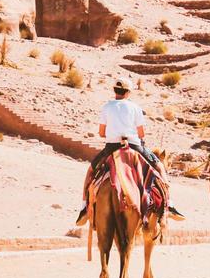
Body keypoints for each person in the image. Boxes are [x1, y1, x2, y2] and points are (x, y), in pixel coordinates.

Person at [76, 79, 184, 223]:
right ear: (128, 93)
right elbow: (141, 134)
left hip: (112, 147)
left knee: (90, 171)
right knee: (159, 167)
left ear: (115, 91)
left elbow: (101, 133)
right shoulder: (135, 107)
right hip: (134, 146)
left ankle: (84, 208)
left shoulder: (107, 107)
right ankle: (169, 205)